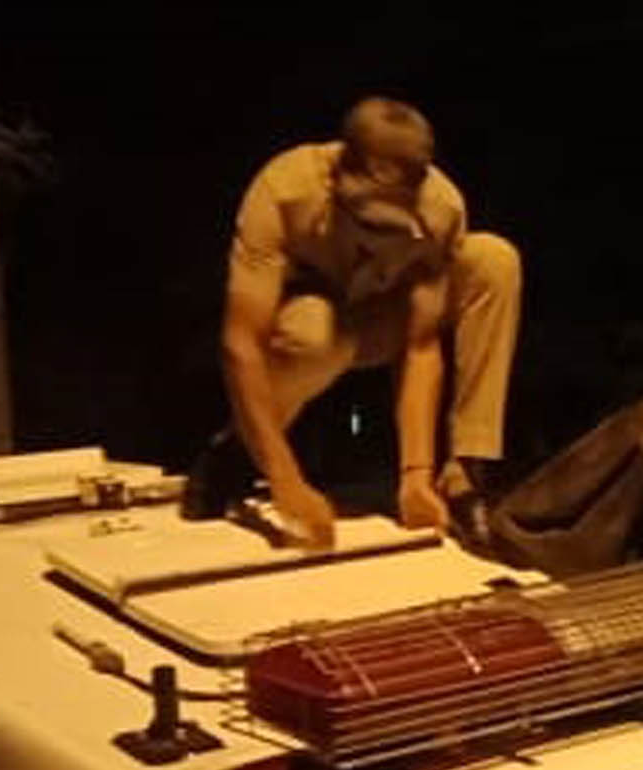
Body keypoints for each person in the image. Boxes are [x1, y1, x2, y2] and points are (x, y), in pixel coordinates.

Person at [214, 96, 523, 551]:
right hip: (311, 329)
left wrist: (415, 477)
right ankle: (244, 448)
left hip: (381, 320)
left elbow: (421, 345)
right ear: (341, 177)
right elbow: (241, 342)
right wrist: (285, 478)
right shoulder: (286, 188)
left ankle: (463, 477)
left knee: (493, 260)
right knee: (317, 333)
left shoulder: (441, 207)